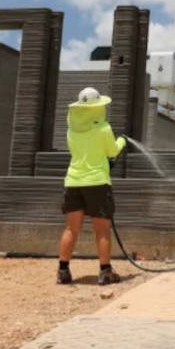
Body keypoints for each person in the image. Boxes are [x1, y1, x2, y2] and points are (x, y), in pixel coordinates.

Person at [57, 87, 127, 285]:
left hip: (73, 182)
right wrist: (122, 140)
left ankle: (63, 271)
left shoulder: (71, 129)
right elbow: (112, 151)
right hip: (97, 182)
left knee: (71, 228)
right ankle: (105, 272)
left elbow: (81, 152)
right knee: (102, 230)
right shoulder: (104, 128)